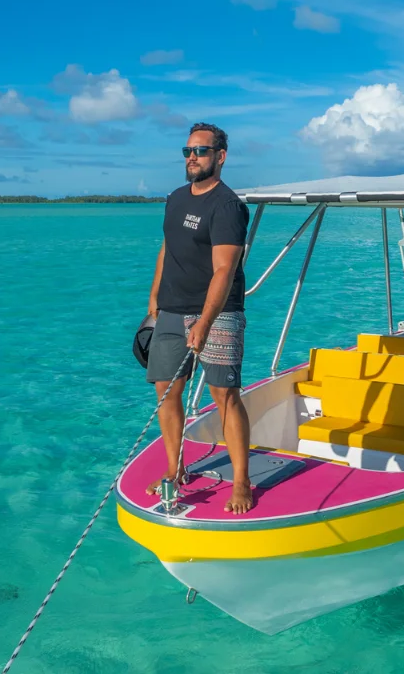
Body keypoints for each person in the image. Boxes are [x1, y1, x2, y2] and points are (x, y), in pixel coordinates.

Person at [145, 122, 252, 514]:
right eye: (188, 151)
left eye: (201, 151)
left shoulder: (227, 206)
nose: (192, 157)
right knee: (165, 392)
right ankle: (175, 470)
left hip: (218, 312)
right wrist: (155, 297)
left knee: (224, 396)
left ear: (220, 157)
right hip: (171, 309)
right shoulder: (174, 198)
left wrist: (204, 324)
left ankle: (241, 481)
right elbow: (167, 248)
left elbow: (224, 269)